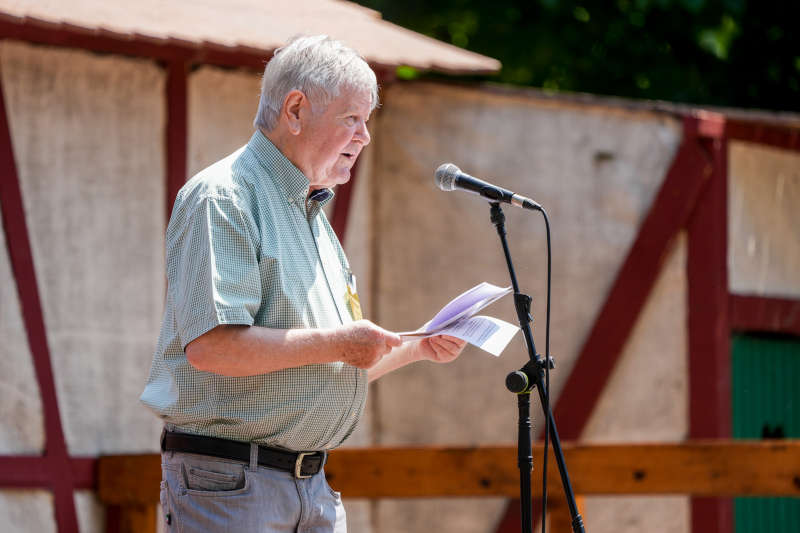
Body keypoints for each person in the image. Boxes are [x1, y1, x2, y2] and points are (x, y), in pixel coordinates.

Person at [140, 35, 466, 532]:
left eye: (367, 120)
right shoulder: (224, 196)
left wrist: (420, 345)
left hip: (309, 486)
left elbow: (319, 369)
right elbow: (212, 347)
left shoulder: (311, 216)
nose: (365, 136)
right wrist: (341, 341)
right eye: (351, 119)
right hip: (233, 484)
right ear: (295, 110)